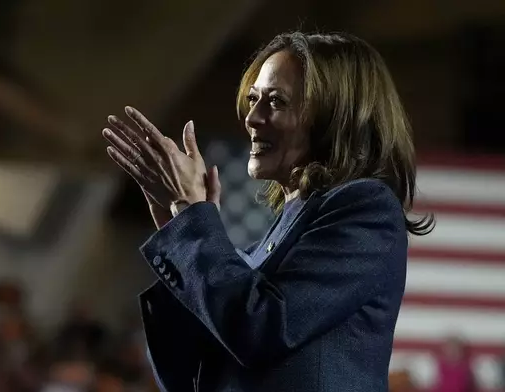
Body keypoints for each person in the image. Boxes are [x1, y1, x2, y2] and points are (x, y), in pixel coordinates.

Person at [102, 31, 434, 392]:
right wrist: (179, 231)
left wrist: (192, 220)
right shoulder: (277, 234)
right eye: (253, 99)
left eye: (275, 101)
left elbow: (260, 328)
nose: (252, 118)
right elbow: (185, 376)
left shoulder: (365, 209)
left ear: (335, 116)